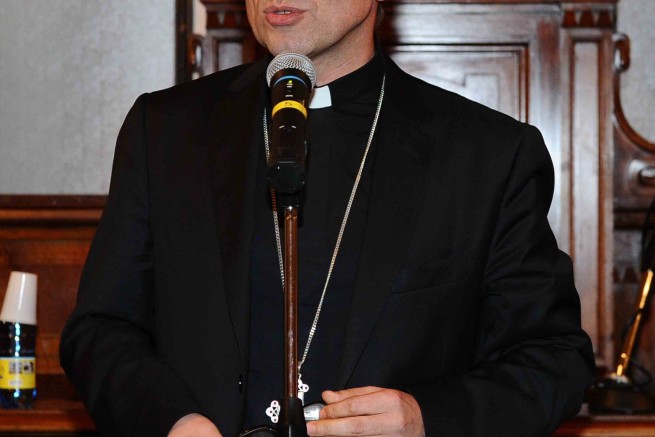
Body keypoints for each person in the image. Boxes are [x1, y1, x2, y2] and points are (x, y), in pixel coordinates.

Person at [60, 1, 595, 436]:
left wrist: (425, 419)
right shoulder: (166, 130)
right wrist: (174, 424)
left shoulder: (487, 154)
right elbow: (101, 329)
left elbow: (553, 359)